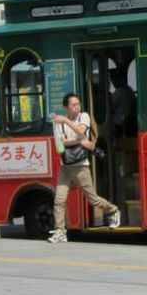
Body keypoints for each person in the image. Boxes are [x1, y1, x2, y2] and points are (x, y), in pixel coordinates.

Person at [47, 92, 120, 243]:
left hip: (81, 167)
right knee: (59, 200)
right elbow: (60, 147)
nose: (77, 108)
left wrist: (71, 133)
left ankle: (113, 210)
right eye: (73, 105)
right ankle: (60, 231)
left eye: (78, 104)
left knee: (92, 199)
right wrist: (80, 141)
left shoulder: (83, 117)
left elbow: (81, 131)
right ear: (66, 107)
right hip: (65, 167)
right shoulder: (58, 124)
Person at [110, 68, 137, 138]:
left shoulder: (119, 92)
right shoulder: (129, 90)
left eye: (114, 79)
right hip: (128, 122)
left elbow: (111, 108)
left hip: (118, 124)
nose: (113, 82)